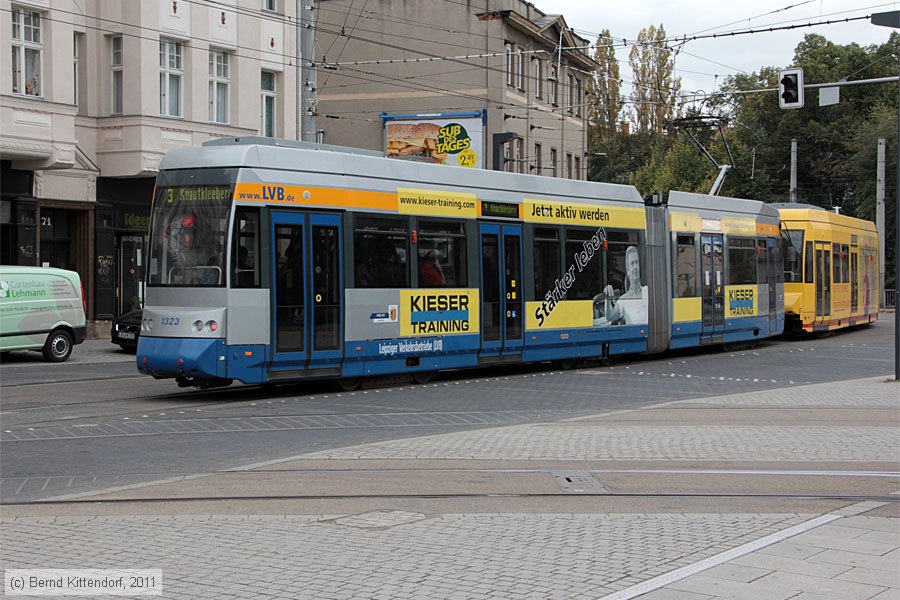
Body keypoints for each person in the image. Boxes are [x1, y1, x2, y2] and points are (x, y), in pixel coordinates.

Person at [597, 245, 648, 326]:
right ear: (628, 270)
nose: (635, 267)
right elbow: (610, 317)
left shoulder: (648, 291)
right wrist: (607, 298)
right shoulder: (624, 300)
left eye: (637, 262)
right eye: (632, 263)